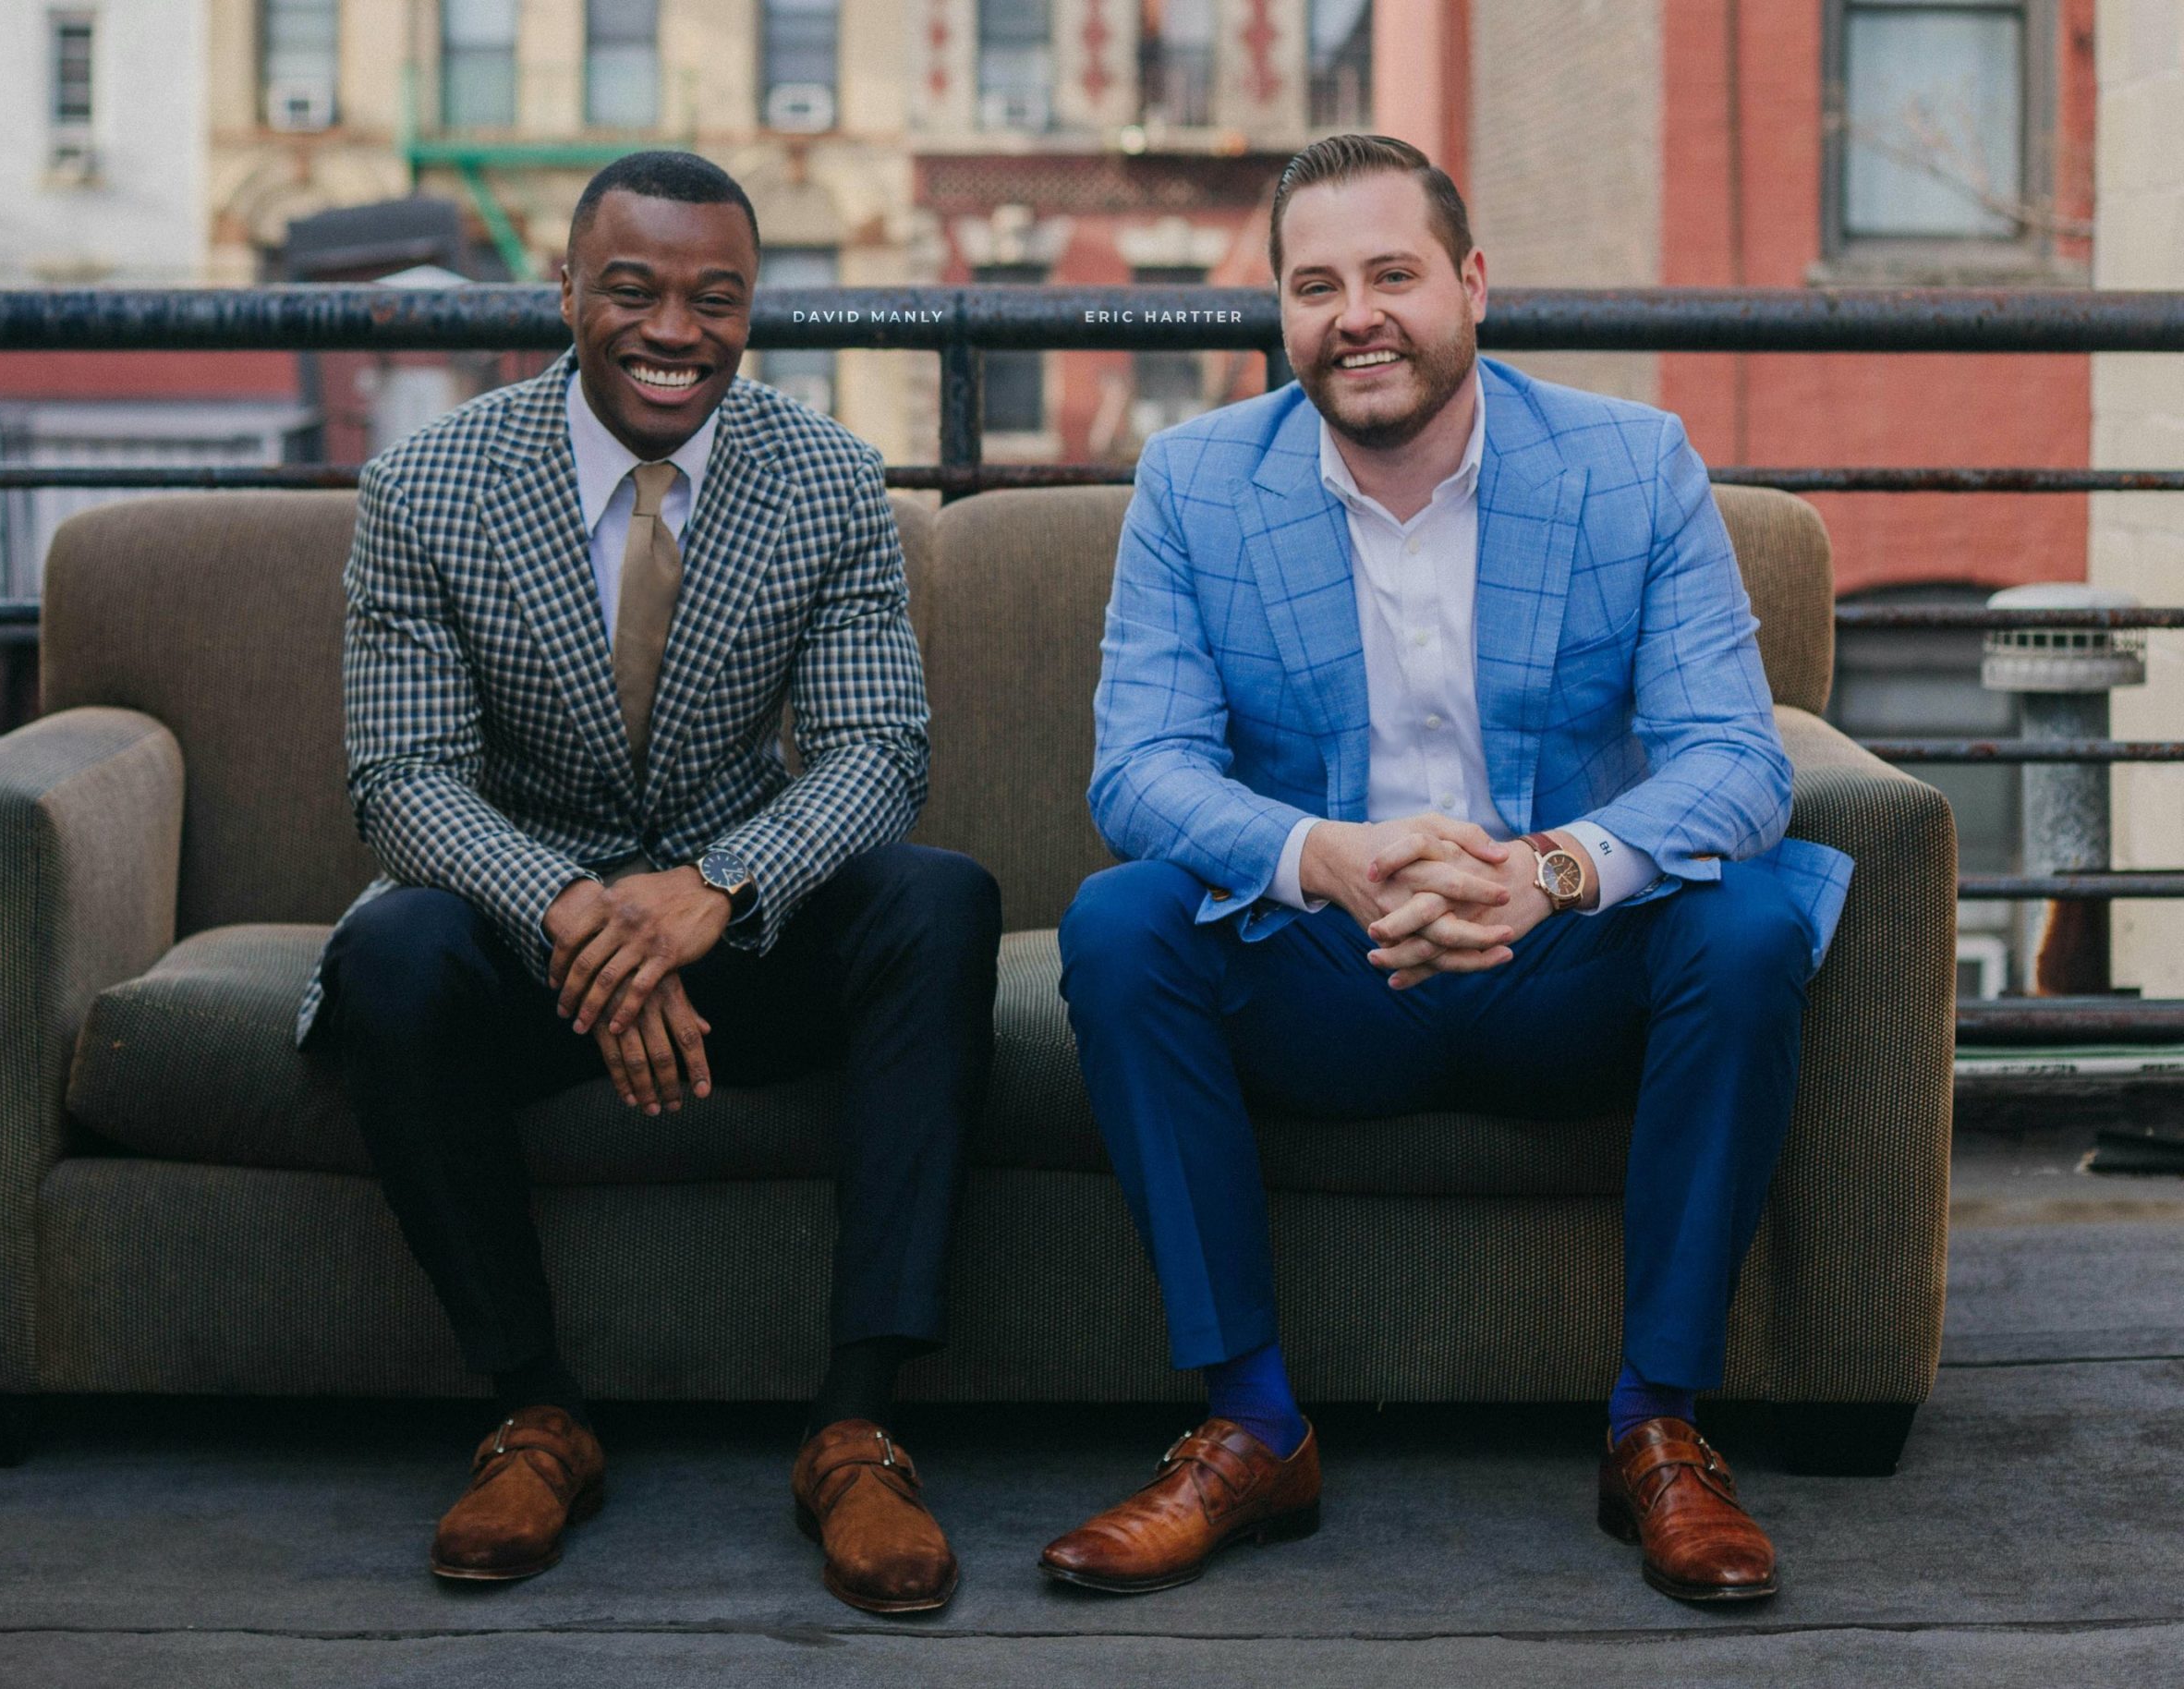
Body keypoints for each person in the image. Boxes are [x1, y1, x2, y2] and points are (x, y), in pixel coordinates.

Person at [1040, 134, 1850, 1606]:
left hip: (1565, 969)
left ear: (1471, 284)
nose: (1357, 315)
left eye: (1393, 274)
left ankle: (1659, 1427)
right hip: (1331, 977)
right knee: (1119, 924)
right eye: (1316, 284)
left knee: (1742, 931)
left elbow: (1738, 760)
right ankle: (1249, 1425)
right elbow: (1136, 770)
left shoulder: (1630, 463)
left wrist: (1551, 871)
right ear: (1278, 313)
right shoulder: (1194, 484)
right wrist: (1320, 859)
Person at [297, 151, 1001, 1614]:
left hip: (743, 939)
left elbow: (878, 751)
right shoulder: (430, 481)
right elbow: (404, 782)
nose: (674, 330)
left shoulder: (822, 477)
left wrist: (718, 892)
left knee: (939, 901)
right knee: (392, 955)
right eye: (633, 290)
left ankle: (857, 1430)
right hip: (522, 946)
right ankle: (536, 1413)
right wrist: (578, 913)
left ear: (751, 312)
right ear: (564, 291)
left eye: (715, 298)